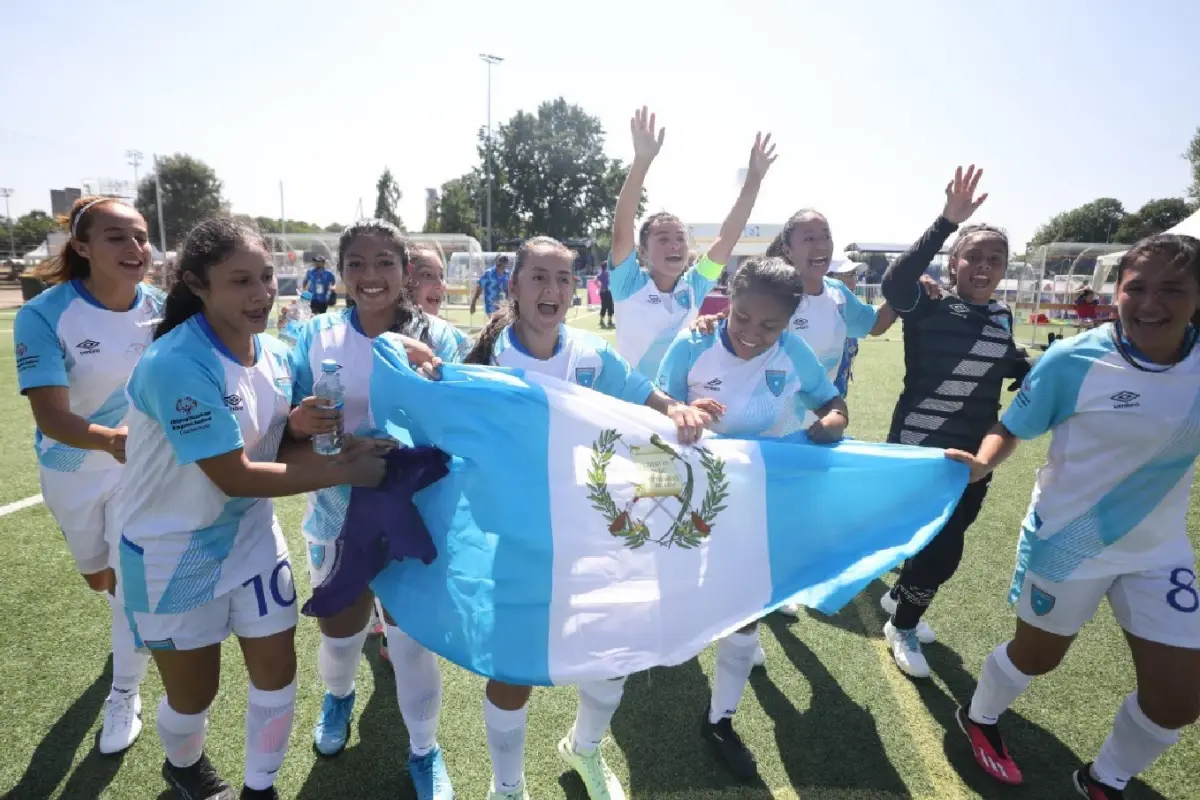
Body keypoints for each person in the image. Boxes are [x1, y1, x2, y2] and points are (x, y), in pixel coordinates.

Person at [112, 216, 386, 800]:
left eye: (266, 277)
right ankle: (183, 767)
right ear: (196, 283)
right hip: (170, 552)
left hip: (253, 542)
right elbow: (234, 476)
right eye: (240, 281)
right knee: (194, 696)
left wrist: (295, 424)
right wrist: (346, 468)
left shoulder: (279, 353)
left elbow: (271, 441)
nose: (261, 293)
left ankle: (260, 787)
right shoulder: (175, 363)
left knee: (277, 671)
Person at [456, 235, 715, 800]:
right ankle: (508, 786)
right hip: (518, 536)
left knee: (613, 655)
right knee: (514, 668)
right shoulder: (486, 360)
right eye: (539, 277)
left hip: (594, 533)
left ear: (576, 288)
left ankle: (585, 748)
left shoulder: (592, 354)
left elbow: (646, 395)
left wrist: (678, 409)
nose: (552, 290)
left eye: (564, 278)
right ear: (515, 286)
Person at [946, 233, 1200, 797]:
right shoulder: (1075, 358)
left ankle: (1105, 778)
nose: (1151, 303)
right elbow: (1010, 427)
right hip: (1068, 541)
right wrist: (983, 465)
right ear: (1116, 293)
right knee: (1037, 658)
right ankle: (979, 715)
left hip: (1158, 554)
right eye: (1137, 288)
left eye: (1173, 290)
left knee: (1180, 699)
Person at [288, 220, 465, 800]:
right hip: (337, 516)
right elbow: (283, 432)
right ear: (340, 274)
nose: (371, 276)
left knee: (411, 640)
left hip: (417, 515)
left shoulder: (439, 336)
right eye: (357, 264)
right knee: (341, 633)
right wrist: (305, 426)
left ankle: (424, 750)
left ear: (405, 271)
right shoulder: (312, 336)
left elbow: (465, 421)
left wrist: (438, 380)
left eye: (384, 262)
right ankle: (338, 699)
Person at [657, 256, 848, 780]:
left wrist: (831, 422)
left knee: (746, 611)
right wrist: (683, 410)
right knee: (680, 597)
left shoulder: (792, 352)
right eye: (741, 317)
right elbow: (652, 407)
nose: (751, 333)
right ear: (728, 303)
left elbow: (833, 402)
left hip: (759, 498)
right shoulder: (693, 344)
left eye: (769, 326)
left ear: (788, 324)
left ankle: (720, 719)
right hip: (690, 494)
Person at [13, 196, 164, 755]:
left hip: (141, 470)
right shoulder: (44, 314)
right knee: (98, 576)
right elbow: (52, 417)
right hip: (72, 466)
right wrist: (110, 440)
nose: (135, 249)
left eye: (142, 237)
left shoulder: (165, 308)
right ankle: (120, 622)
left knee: (131, 582)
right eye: (117, 237)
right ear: (82, 247)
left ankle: (125, 690)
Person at [877, 166, 1032, 678]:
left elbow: (1000, 359)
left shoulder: (1003, 317)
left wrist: (1023, 367)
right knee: (940, 548)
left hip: (974, 459)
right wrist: (946, 221)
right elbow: (895, 281)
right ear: (954, 263)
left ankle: (901, 596)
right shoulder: (928, 303)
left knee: (949, 532)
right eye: (973, 256)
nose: (983, 266)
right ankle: (902, 623)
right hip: (919, 450)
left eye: (995, 259)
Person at [608, 106, 776, 378]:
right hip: (633, 406)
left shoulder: (695, 285)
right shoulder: (628, 283)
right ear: (643, 252)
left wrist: (754, 178)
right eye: (663, 239)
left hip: (682, 406)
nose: (675, 245)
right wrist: (642, 160)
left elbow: (728, 237)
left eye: (680, 239)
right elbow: (621, 230)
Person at [826, 259, 864, 396]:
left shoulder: (851, 311)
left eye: (854, 275)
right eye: (847, 274)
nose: (853, 281)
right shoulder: (815, 311)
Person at [596, 260, 614, 328]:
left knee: (606, 306)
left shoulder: (602, 273)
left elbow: (595, 281)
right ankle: (607, 321)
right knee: (608, 306)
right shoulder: (606, 273)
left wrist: (599, 287)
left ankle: (605, 320)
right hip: (606, 291)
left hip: (605, 291)